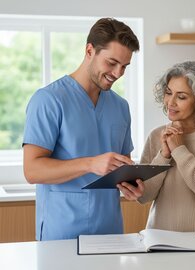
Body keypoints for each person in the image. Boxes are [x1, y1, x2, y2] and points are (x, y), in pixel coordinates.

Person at [23, 17, 140, 241]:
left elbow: (122, 166)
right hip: (62, 235)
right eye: (111, 62)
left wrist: (131, 186)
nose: (117, 73)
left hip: (110, 234)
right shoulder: (48, 100)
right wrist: (90, 163)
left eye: (124, 66)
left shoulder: (121, 107)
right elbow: (32, 170)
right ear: (89, 50)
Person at [118, 61, 195, 232]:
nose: (170, 102)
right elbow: (145, 196)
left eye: (181, 97)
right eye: (168, 93)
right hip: (161, 239)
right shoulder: (157, 135)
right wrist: (164, 155)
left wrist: (180, 150)